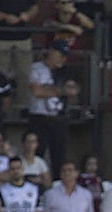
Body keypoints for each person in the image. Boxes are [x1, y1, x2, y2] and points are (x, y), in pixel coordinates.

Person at [27, 42, 77, 180]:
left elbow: (73, 89)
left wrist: (51, 91)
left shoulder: (65, 71)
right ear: (51, 52)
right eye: (60, 55)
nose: (62, 59)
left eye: (64, 56)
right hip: (39, 117)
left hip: (58, 117)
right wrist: (61, 91)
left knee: (59, 156)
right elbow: (37, 91)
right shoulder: (37, 68)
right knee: (37, 153)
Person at [0, 0, 40, 111]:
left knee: (24, 74)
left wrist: (27, 15)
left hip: (23, 38)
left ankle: (22, 107)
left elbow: (34, 7)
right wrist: (5, 17)